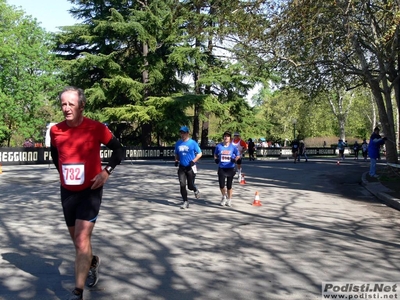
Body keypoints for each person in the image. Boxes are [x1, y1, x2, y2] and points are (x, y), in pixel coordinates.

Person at [50, 86, 124, 300]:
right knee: (77, 241)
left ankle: (78, 292)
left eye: (71, 104)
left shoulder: (97, 128)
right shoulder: (55, 130)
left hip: (91, 190)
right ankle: (92, 262)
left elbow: (119, 150)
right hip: (68, 192)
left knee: (82, 239)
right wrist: (64, 175)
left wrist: (105, 172)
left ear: (81, 106)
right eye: (63, 104)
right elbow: (56, 156)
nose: (66, 108)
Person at [174, 126, 202, 209]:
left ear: (187, 133)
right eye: (181, 133)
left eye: (184, 133)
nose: (182, 134)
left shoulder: (192, 143)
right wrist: (176, 160)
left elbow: (200, 154)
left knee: (190, 186)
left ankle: (195, 189)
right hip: (182, 167)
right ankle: (185, 201)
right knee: (182, 184)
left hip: (190, 167)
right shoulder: (178, 143)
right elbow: (176, 153)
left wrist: (193, 161)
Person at [214, 131, 240, 207]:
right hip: (222, 168)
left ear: (230, 138)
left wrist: (235, 159)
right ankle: (224, 196)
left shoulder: (233, 147)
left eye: (228, 136)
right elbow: (215, 154)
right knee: (221, 185)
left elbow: (238, 155)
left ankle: (229, 199)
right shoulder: (219, 146)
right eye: (225, 136)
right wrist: (216, 159)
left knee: (229, 186)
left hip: (230, 168)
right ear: (223, 138)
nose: (226, 137)